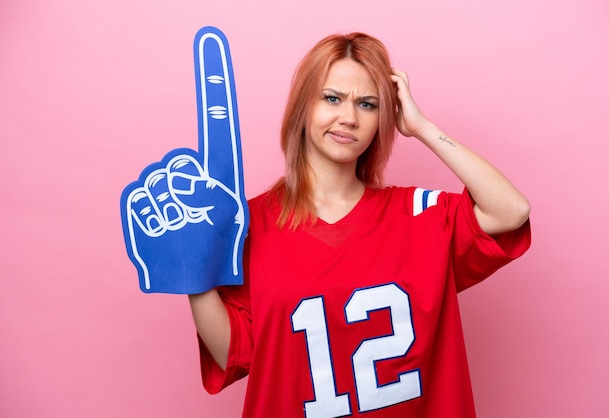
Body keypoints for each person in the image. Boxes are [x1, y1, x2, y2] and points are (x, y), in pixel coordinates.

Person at [188, 32, 531, 417]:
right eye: (332, 98)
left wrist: (421, 127)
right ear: (304, 106)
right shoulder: (249, 225)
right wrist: (188, 272)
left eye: (367, 104)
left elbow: (510, 210)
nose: (349, 118)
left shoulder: (418, 216)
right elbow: (233, 351)